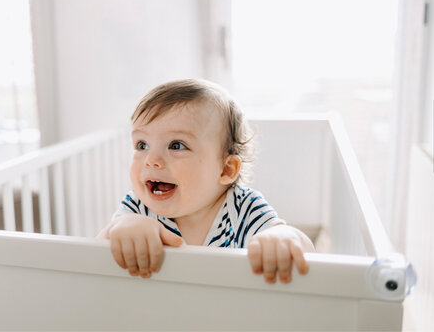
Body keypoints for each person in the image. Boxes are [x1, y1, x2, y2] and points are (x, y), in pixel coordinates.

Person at [97, 78, 315, 284]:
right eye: (142, 145)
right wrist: (121, 228)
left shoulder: (242, 206)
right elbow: (92, 257)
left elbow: (303, 248)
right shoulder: (138, 207)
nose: (151, 161)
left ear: (226, 169)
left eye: (176, 145)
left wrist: (280, 238)